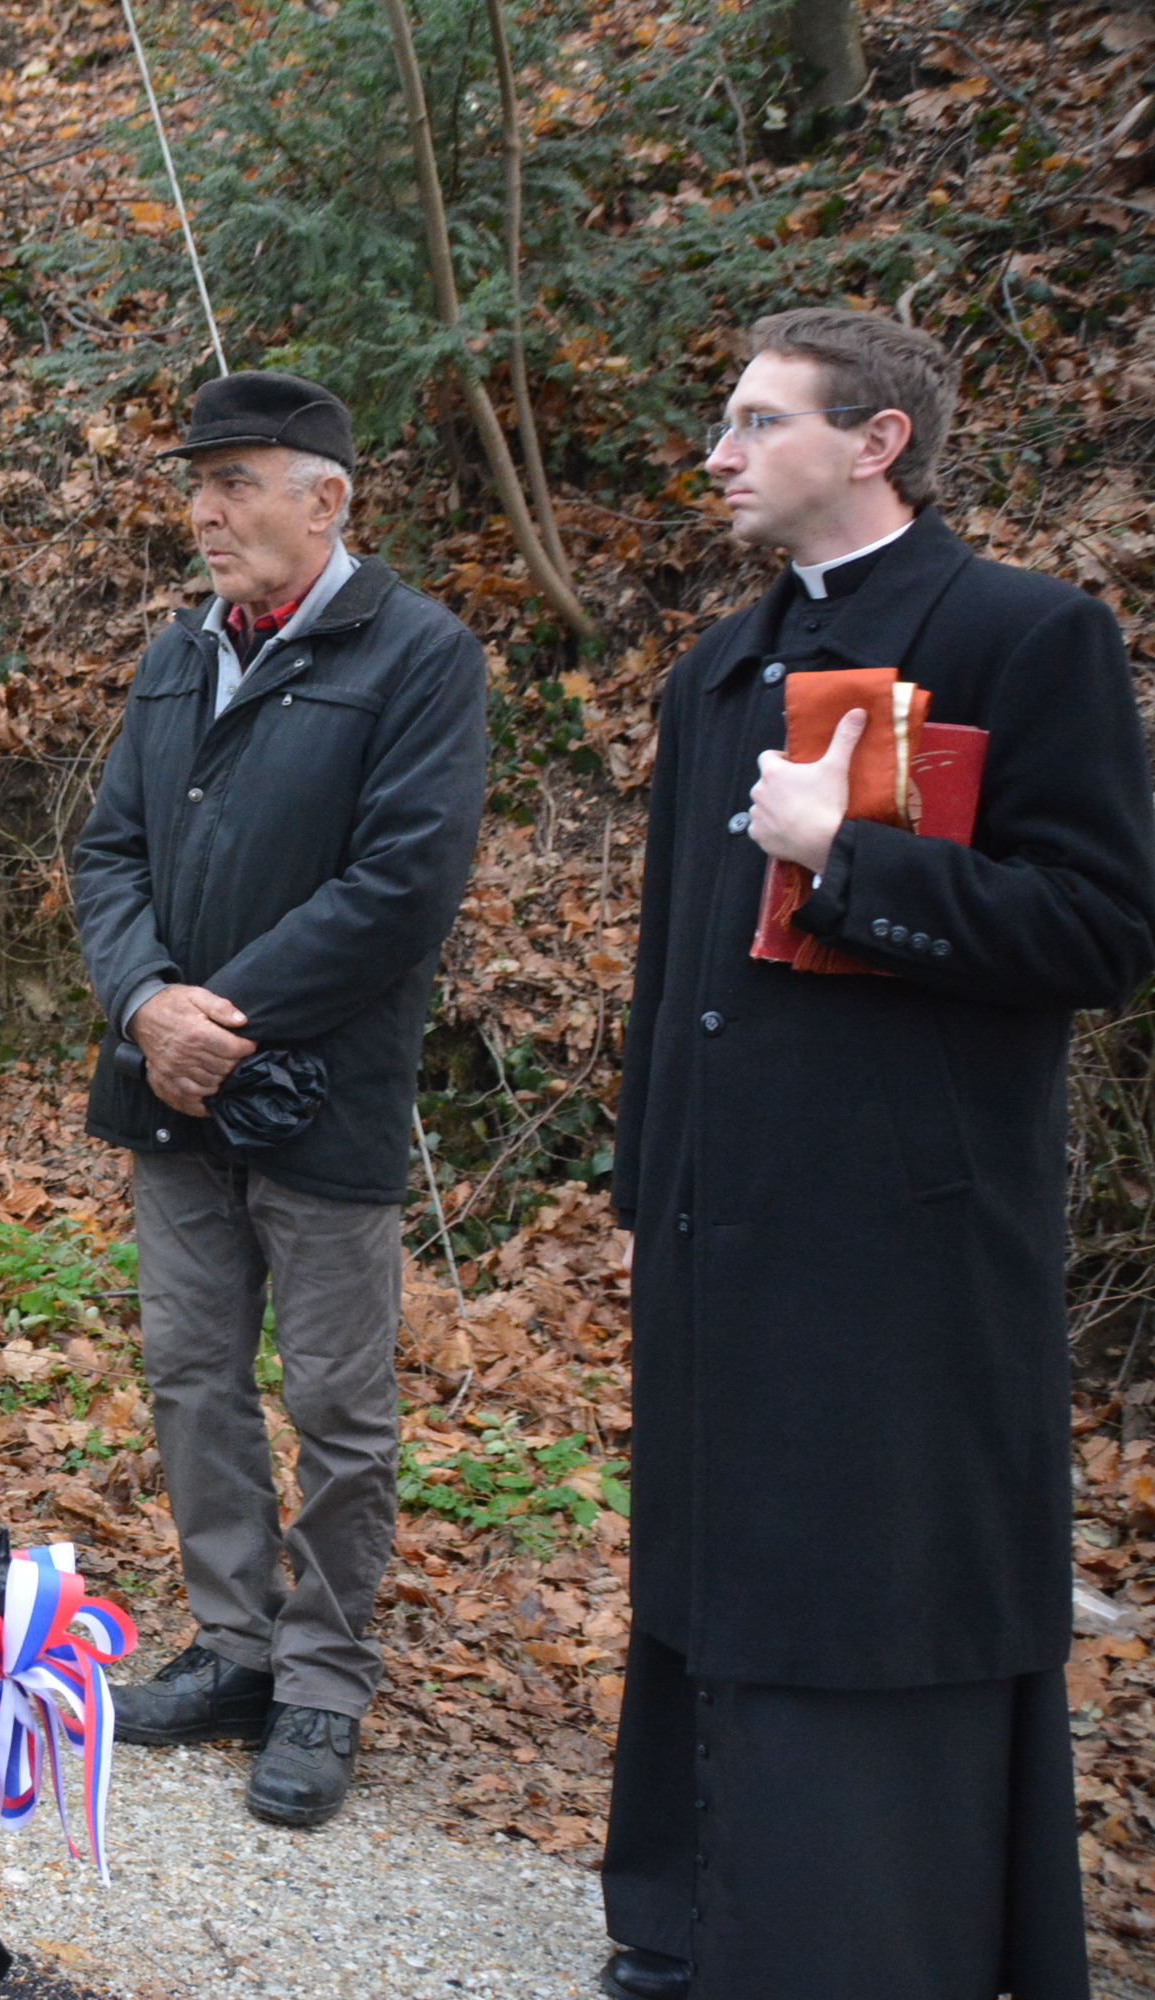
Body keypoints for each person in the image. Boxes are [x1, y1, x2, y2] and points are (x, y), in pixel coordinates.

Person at [598, 309, 1155, 2000]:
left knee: (870, 1581)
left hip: (904, 1237)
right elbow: (670, 968)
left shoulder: (1024, 635)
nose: (719, 454)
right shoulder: (718, 669)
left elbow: (1098, 930)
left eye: (757, 422)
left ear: (876, 440)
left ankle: (859, 1944)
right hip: (719, 1222)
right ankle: (693, 1921)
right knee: (710, 1569)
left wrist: (848, 860)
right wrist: (645, 1189)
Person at [71, 370, 488, 1827]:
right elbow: (108, 854)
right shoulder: (178, 652)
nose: (204, 509)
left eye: (236, 481)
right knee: (192, 1377)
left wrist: (216, 1020)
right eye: (198, 483)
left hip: (319, 1098)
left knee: (336, 1405)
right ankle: (234, 1648)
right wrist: (145, 1004)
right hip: (168, 1091)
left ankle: (322, 1681)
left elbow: (403, 885)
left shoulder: (420, 654)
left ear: (328, 499)